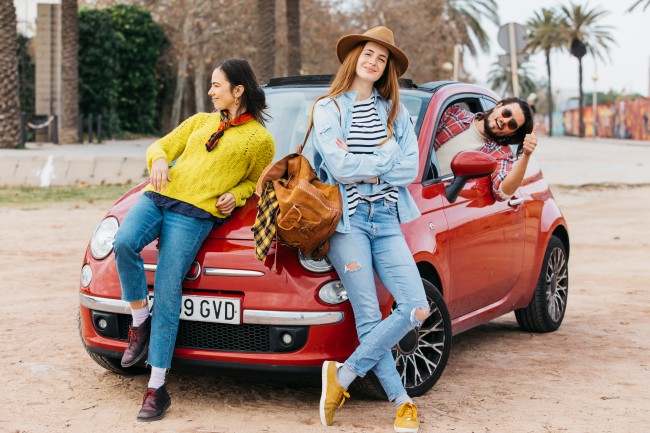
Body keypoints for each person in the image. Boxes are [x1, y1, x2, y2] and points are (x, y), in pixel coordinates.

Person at [112, 58, 274, 422]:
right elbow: (161, 146)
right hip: (160, 196)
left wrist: (238, 193)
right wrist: (158, 162)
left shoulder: (260, 140)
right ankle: (140, 319)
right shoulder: (201, 121)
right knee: (123, 243)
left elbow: (254, 182)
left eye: (217, 85)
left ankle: (156, 387)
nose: (210, 91)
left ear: (238, 90)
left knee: (168, 290)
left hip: (195, 214)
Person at [311, 26, 429, 433]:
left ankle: (342, 377)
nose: (373, 61)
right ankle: (402, 403)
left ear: (387, 69)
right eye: (368, 53)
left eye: (382, 58)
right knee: (367, 314)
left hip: (387, 220)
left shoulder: (397, 111)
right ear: (353, 58)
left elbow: (409, 170)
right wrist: (384, 158)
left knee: (416, 306)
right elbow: (339, 169)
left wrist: (363, 163)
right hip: (348, 222)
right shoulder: (329, 108)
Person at [434, 98, 537, 201]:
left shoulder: (499, 153)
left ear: (511, 133)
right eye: (506, 113)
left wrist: (526, 155)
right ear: (498, 106)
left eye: (512, 124)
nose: (504, 121)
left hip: (438, 201)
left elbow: (502, 193)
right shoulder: (454, 114)